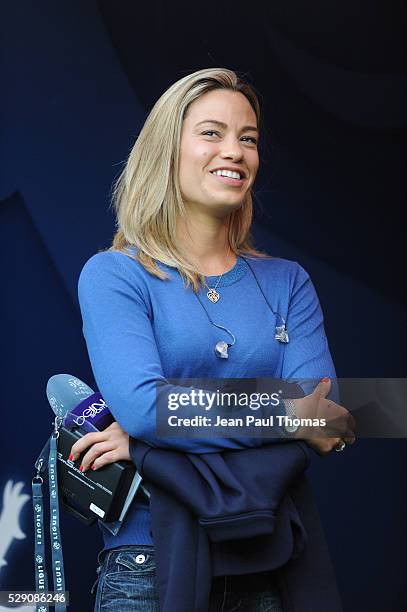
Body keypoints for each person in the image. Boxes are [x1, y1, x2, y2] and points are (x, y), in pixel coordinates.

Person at [71, 68, 354, 611]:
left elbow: (331, 416)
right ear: (166, 150)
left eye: (247, 138)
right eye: (212, 132)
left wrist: (148, 449)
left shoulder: (287, 281)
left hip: (267, 555)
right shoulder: (116, 275)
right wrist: (286, 416)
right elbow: (144, 407)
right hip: (148, 562)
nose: (236, 151)